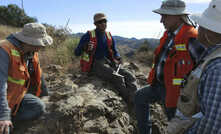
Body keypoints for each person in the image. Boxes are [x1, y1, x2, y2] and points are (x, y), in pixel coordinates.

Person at [133, 0, 206, 133]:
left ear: (178, 16)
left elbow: (206, 66)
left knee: (176, 126)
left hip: (178, 93)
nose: (161, 20)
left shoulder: (192, 37)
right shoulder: (169, 35)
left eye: (165, 16)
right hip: (160, 85)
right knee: (139, 97)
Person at [169, 0, 221, 134]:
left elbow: (211, 125)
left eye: (201, 25)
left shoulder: (217, 69)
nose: (197, 29)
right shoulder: (211, 55)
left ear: (210, 31)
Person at [0, 23, 53, 134]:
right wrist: (4, 116)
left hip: (15, 97)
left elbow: (39, 75)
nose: (42, 47)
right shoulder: (4, 50)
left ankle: (12, 121)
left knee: (38, 107)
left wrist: (45, 95)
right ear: (28, 41)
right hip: (2, 99)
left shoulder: (31, 52)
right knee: (5, 127)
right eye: (39, 43)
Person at [74, 13, 137, 104]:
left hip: (109, 62)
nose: (103, 23)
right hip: (95, 64)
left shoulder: (108, 35)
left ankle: (136, 97)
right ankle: (131, 102)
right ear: (95, 24)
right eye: (100, 22)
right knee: (118, 78)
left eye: (104, 21)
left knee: (129, 75)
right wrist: (84, 47)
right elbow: (76, 53)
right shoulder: (88, 35)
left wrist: (118, 57)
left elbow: (114, 50)